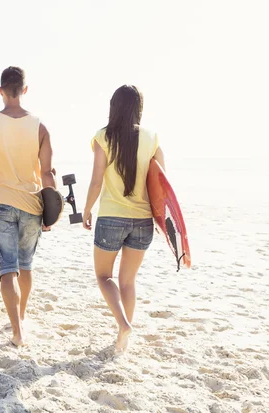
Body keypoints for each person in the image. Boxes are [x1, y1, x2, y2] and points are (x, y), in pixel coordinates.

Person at [82, 85, 165, 353]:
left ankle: (123, 322)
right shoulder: (152, 138)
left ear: (114, 107)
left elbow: (96, 181)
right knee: (128, 281)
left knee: (104, 276)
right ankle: (122, 337)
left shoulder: (103, 137)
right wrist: (164, 221)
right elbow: (161, 184)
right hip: (142, 221)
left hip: (111, 218)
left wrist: (86, 210)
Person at [0, 66, 56, 347]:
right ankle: (21, 318)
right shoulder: (40, 127)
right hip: (32, 203)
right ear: (24, 90)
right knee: (25, 266)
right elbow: (47, 174)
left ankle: (17, 331)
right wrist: (52, 210)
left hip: (0, 201)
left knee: (7, 269)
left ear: (1, 91)